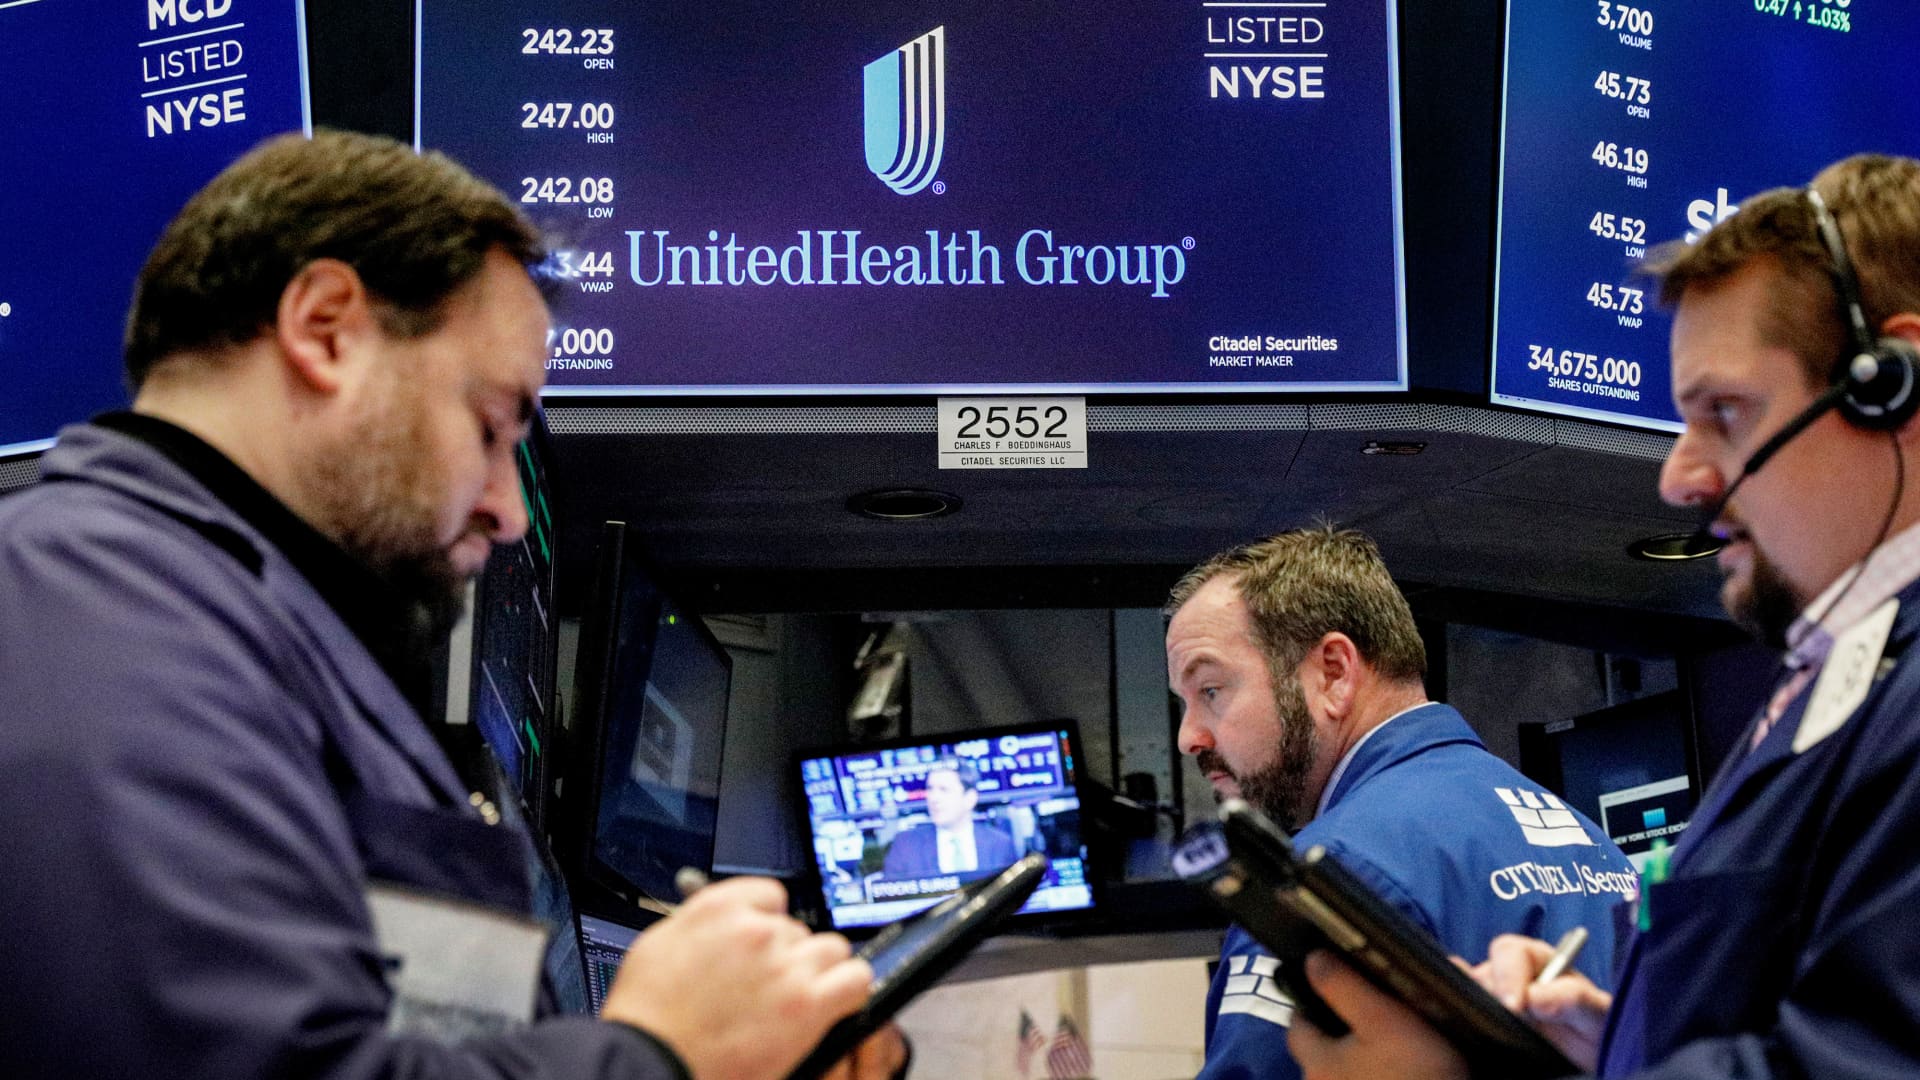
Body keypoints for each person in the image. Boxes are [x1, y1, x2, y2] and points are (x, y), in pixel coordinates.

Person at [0, 130, 902, 1080]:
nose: (510, 512)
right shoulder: (87, 604)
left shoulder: (273, 646)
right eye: (489, 425)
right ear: (325, 330)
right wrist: (657, 1053)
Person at [1288, 153, 1920, 1080]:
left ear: (1892, 382)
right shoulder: (1846, 682)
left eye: (1725, 412)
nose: (1680, 475)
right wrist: (1612, 1038)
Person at [1165, 526, 1637, 1080]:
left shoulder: (1327, 877)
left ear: (1334, 673)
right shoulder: (1593, 842)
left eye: (1211, 690)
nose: (1189, 737)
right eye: (1184, 702)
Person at [881, 757, 1021, 879]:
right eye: (930, 789)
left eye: (944, 789)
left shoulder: (1000, 844)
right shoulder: (905, 845)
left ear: (970, 798)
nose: (933, 798)